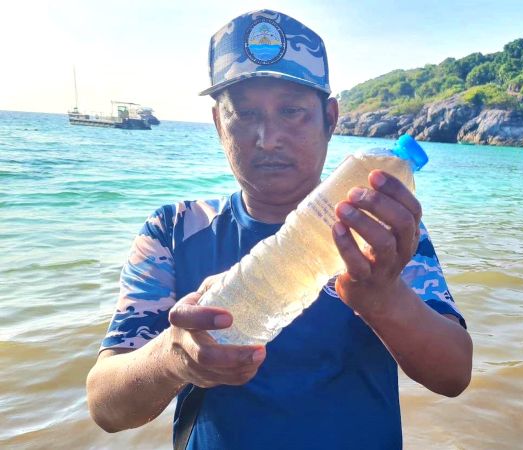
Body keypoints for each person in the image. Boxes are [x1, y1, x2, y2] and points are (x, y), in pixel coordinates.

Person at [86, 10, 472, 450]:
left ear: (330, 119)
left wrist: (385, 298)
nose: (267, 137)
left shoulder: (381, 231)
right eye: (243, 114)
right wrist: (174, 358)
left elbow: (454, 375)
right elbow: (105, 407)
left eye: (291, 112)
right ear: (217, 123)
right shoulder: (174, 231)